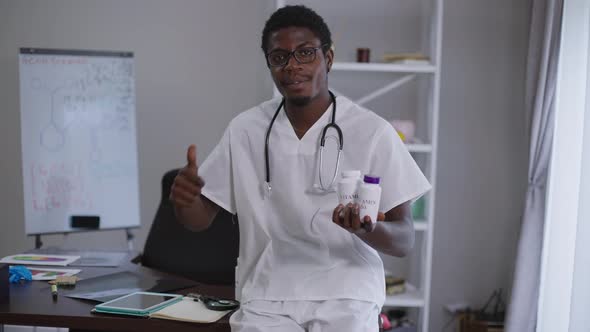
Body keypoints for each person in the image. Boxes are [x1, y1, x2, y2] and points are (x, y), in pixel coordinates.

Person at [170, 5, 431, 332]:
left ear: (329, 59)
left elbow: (404, 239)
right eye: (279, 57)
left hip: (348, 292)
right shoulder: (246, 130)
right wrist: (184, 201)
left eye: (306, 53)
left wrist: (367, 229)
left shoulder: (372, 132)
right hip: (268, 294)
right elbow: (198, 219)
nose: (292, 66)